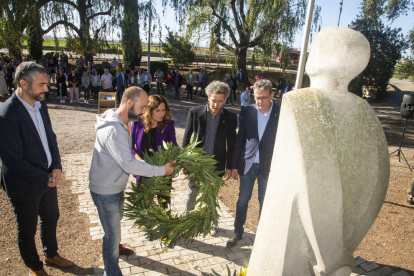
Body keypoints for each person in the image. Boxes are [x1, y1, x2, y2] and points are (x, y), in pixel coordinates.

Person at [89, 87, 175, 276]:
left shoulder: (122, 121)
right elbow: (129, 163)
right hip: (106, 189)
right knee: (110, 237)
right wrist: (161, 170)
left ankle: (117, 249)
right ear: (129, 103)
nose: (145, 111)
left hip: (114, 186)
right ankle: (112, 273)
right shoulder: (114, 129)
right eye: (143, 107)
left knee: (114, 229)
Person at [0, 62, 74, 276]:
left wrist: (57, 166)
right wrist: (45, 177)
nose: (46, 89)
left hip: (47, 178)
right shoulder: (7, 115)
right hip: (23, 184)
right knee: (27, 228)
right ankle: (35, 267)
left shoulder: (41, 105)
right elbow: (14, 162)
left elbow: (50, 138)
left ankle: (51, 254)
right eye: (42, 85)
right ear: (23, 83)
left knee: (51, 217)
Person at [226, 79, 281, 248]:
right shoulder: (247, 111)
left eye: (264, 97)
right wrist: (234, 165)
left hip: (269, 166)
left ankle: (262, 237)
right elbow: (240, 138)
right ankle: (238, 232)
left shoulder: (281, 113)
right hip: (247, 164)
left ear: (272, 94)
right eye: (257, 97)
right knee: (243, 200)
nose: (259, 101)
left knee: (265, 202)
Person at [182, 81, 237, 236]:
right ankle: (187, 221)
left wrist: (229, 166)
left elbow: (231, 143)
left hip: (216, 166)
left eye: (220, 101)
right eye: (213, 100)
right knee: (191, 194)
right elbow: (186, 139)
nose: (216, 105)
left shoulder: (230, 117)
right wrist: (184, 161)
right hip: (196, 164)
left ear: (225, 100)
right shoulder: (195, 112)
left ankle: (210, 223)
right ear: (208, 97)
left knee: (211, 197)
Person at [131, 95, 177, 209]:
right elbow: (130, 146)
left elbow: (174, 146)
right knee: (144, 204)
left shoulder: (168, 125)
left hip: (163, 171)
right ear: (149, 110)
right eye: (157, 110)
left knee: (164, 205)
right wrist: (137, 158)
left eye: (163, 110)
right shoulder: (138, 123)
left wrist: (174, 159)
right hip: (143, 170)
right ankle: (147, 225)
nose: (161, 113)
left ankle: (165, 226)